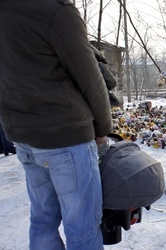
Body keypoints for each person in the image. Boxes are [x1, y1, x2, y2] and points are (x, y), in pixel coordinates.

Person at [0, 0, 112, 249]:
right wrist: (103, 128)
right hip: (67, 137)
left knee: (42, 221)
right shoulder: (55, 10)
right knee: (82, 227)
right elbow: (90, 77)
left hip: (24, 136)